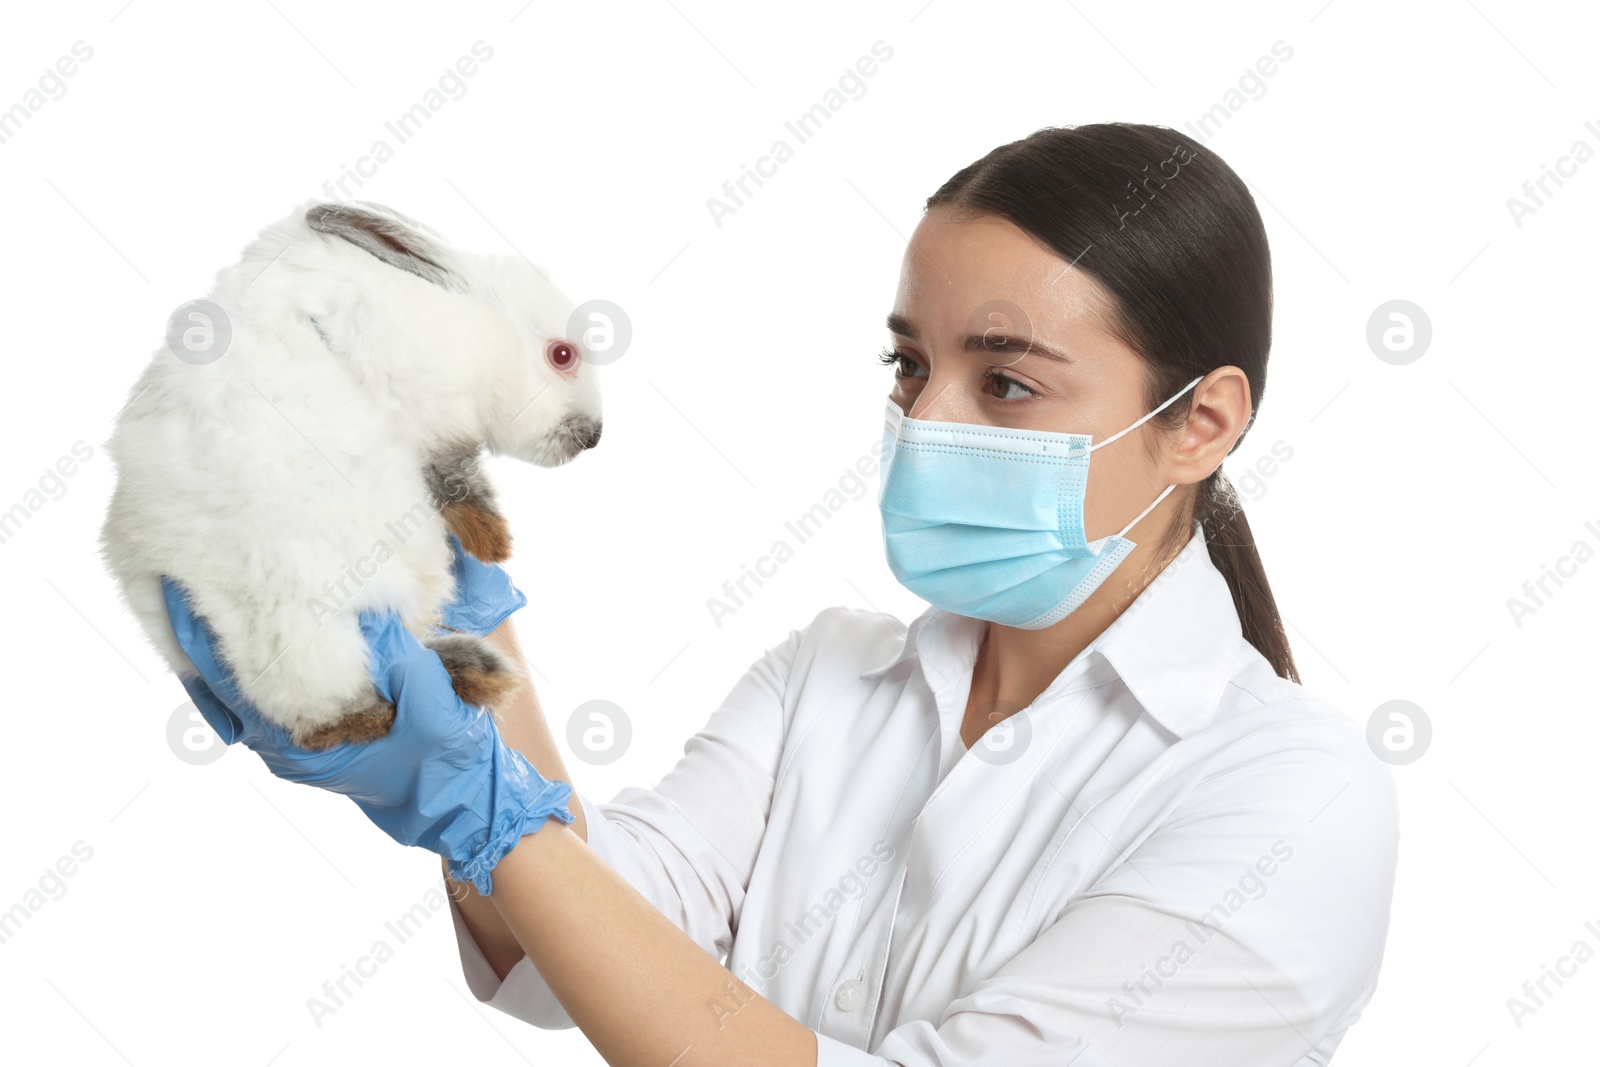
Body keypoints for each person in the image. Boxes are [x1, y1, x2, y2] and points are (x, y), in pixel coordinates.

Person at [163, 122, 1400, 1066]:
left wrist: (482, 814)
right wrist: (468, 627)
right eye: (909, 364)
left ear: (1201, 423)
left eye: (1007, 382)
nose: (925, 419)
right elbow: (593, 935)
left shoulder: (1294, 796)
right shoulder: (833, 672)